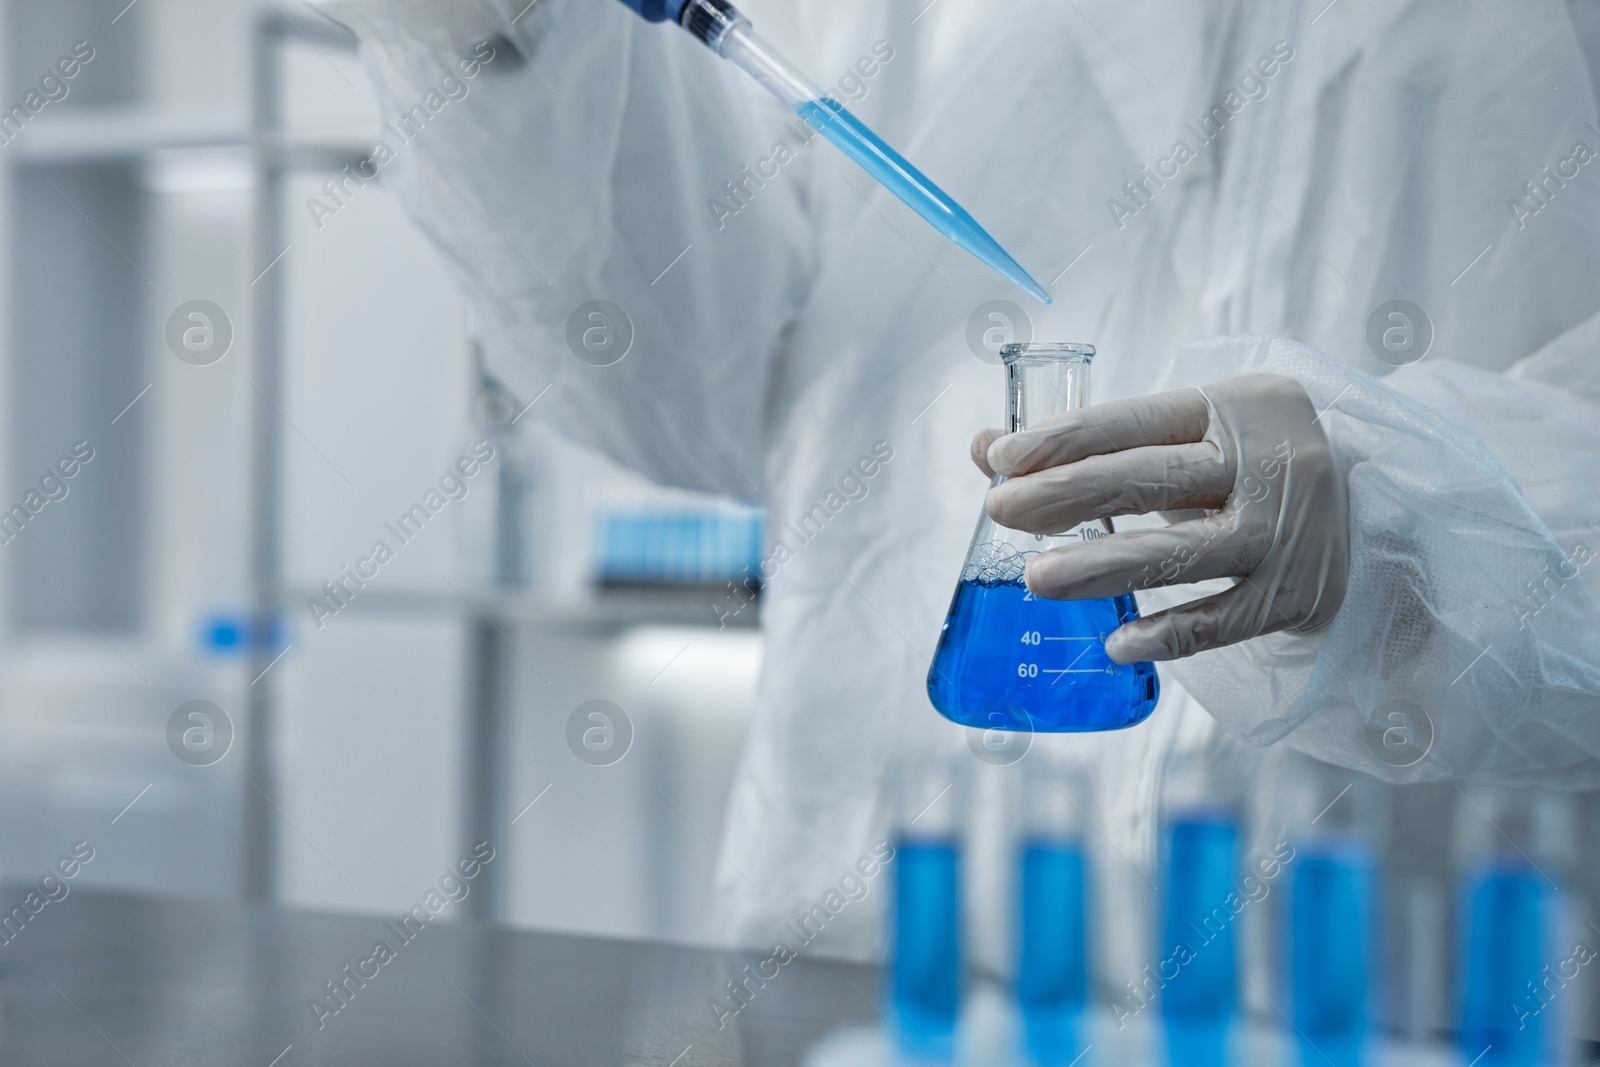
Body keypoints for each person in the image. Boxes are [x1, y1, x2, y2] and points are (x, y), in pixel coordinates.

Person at [318, 0, 1600, 967]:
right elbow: (695, 386)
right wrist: (488, 26)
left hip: (1392, 966)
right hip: (870, 957)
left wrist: (1414, 517)